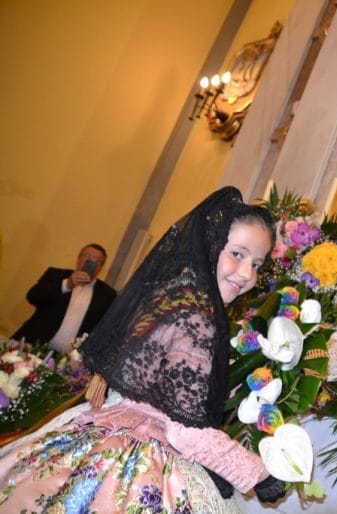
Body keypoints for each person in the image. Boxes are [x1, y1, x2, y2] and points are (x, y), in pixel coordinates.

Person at [0, 187, 288, 512]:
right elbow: (187, 430)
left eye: (258, 263)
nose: (247, 273)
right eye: (237, 253)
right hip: (136, 460)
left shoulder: (172, 297)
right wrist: (259, 474)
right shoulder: (198, 316)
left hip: (102, 430)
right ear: (210, 245)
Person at [12, 243, 117, 353]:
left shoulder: (108, 295)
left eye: (97, 260)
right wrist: (67, 284)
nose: (90, 261)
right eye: (87, 256)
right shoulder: (56, 275)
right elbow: (32, 296)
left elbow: (104, 329)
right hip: (30, 346)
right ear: (78, 259)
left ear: (101, 268)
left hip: (65, 362)